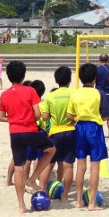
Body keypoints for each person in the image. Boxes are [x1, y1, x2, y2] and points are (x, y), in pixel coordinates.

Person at [0, 60, 56, 213]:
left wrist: (14, 119)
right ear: (23, 76)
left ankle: (21, 206)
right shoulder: (30, 91)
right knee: (51, 150)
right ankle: (32, 178)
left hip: (15, 133)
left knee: (19, 168)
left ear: (8, 76)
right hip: (29, 130)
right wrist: (27, 118)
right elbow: (38, 114)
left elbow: (1, 117)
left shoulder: (4, 95)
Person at [67, 63, 108, 211]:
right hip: (94, 129)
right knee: (95, 167)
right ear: (94, 78)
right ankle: (91, 204)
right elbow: (105, 115)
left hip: (79, 128)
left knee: (80, 167)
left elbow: (69, 115)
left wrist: (78, 119)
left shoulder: (75, 93)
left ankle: (78, 201)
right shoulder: (99, 93)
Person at [41, 66, 76, 202]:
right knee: (67, 164)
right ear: (70, 80)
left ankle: (42, 191)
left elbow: (44, 117)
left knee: (49, 164)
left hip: (55, 132)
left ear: (56, 80)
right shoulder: (74, 94)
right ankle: (65, 196)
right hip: (70, 131)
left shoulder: (50, 96)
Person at [96, 53, 109, 138]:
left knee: (97, 114)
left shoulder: (97, 70)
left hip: (98, 92)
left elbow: (94, 82)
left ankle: (99, 133)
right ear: (108, 60)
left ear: (99, 60)